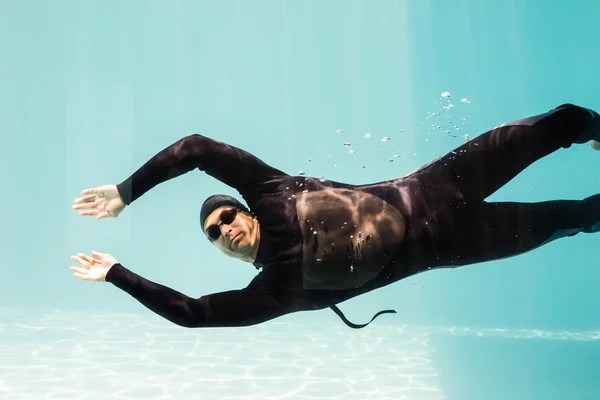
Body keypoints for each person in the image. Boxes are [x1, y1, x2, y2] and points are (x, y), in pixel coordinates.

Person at [70, 103, 600, 329]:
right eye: (214, 234)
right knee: (574, 216)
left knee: (559, 125)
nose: (225, 227)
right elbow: (193, 313)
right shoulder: (275, 290)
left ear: (244, 208)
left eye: (226, 215)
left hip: (441, 183)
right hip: (460, 244)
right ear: (219, 251)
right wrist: (116, 273)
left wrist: (125, 192)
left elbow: (195, 147)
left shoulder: (274, 191)